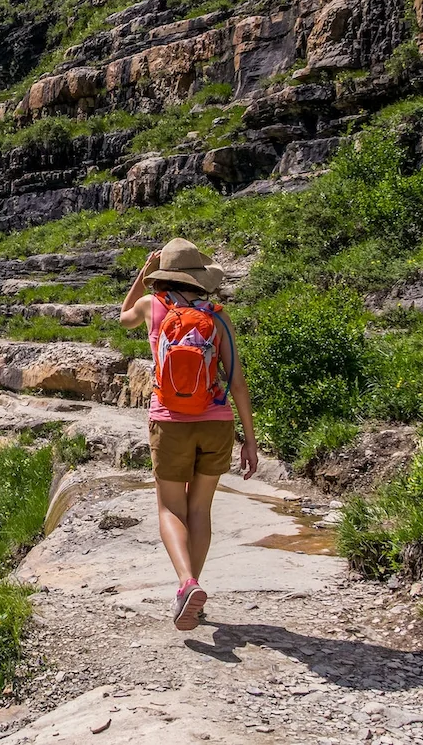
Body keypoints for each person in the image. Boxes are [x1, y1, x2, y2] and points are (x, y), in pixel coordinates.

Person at [119, 238, 259, 631]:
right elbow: (237, 382)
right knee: (199, 509)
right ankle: (191, 591)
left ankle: (186, 584)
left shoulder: (153, 307)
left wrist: (142, 275)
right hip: (216, 421)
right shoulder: (217, 315)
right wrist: (249, 439)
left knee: (169, 508)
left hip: (170, 421)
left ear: (161, 275)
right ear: (199, 278)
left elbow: (122, 316)